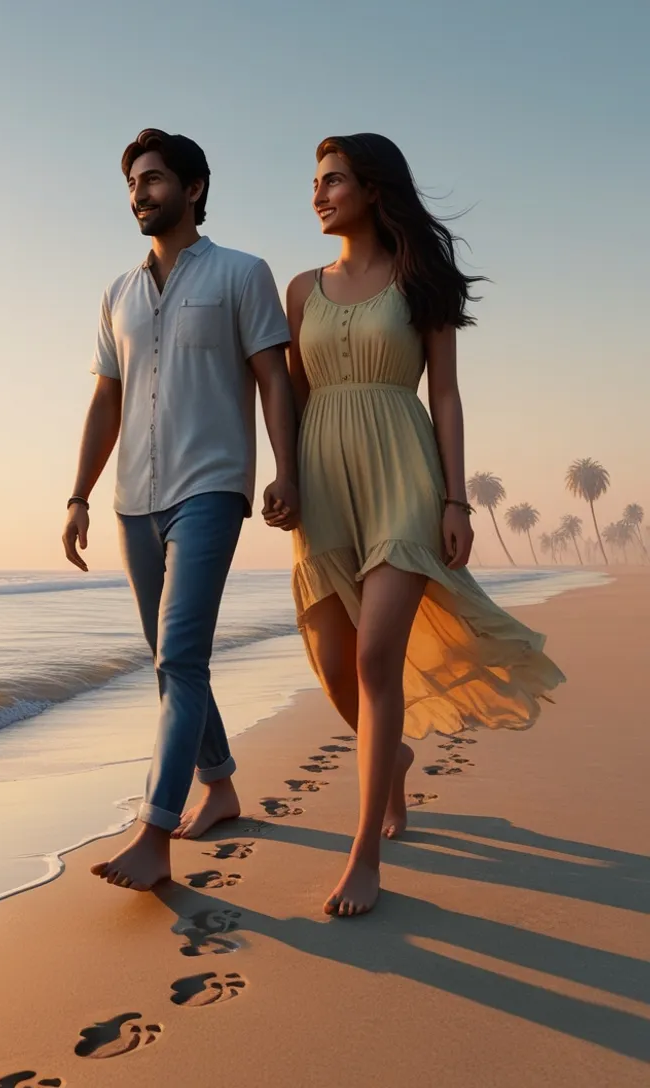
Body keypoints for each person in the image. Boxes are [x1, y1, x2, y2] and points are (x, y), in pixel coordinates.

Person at [272, 133, 565, 917]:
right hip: (326, 484)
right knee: (335, 666)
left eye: (333, 180)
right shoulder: (300, 290)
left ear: (373, 189)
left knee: (374, 659)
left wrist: (456, 500)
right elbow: (292, 399)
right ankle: (392, 755)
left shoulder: (418, 279)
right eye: (315, 180)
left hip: (403, 474)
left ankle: (364, 853)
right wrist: (285, 478)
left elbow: (445, 397)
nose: (318, 192)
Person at [62, 128, 297, 892]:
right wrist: (79, 495)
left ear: (193, 188)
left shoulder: (241, 274)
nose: (140, 193)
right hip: (135, 500)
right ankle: (220, 782)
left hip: (211, 488)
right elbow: (107, 399)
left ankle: (154, 832)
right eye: (133, 183)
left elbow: (272, 378)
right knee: (172, 665)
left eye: (155, 179)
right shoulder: (117, 294)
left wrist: (285, 469)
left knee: (181, 657)